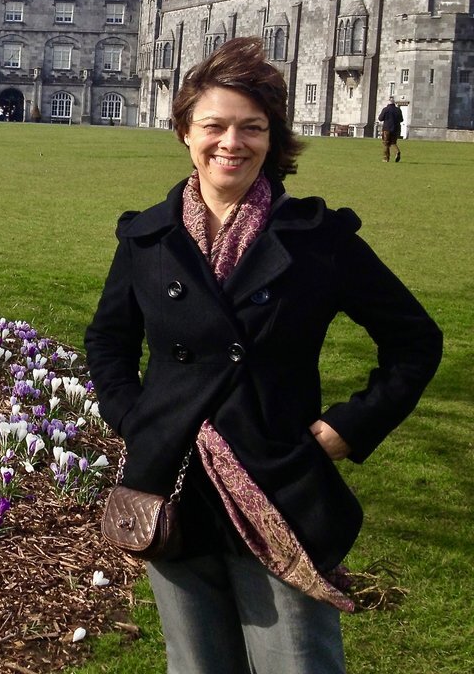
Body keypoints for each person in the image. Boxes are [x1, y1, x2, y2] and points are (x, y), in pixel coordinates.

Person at [85, 38, 441, 674]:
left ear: (273, 139)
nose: (232, 143)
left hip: (280, 481)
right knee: (197, 664)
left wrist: (349, 426)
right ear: (184, 134)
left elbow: (414, 340)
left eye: (252, 128)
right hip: (174, 482)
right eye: (214, 126)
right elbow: (107, 340)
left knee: (297, 664)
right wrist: (135, 418)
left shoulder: (315, 239)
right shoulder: (148, 237)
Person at [378, 96, 404, 162]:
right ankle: (397, 151)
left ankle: (386, 158)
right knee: (393, 142)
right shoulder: (398, 110)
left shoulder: (385, 109)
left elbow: (380, 118)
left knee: (386, 143)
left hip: (387, 129)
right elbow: (401, 119)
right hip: (395, 129)